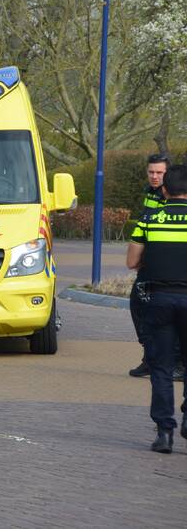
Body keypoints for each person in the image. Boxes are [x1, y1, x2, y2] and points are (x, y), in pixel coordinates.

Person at [126, 163, 187, 453]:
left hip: (159, 299)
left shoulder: (150, 218)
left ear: (164, 189)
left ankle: (164, 432)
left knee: (161, 368)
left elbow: (131, 262)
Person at [128, 153, 184, 380]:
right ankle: (151, 357)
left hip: (167, 268)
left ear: (167, 174)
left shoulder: (177, 194)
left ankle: (177, 362)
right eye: (151, 172)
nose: (154, 176)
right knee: (138, 306)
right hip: (149, 265)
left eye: (159, 172)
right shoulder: (151, 193)